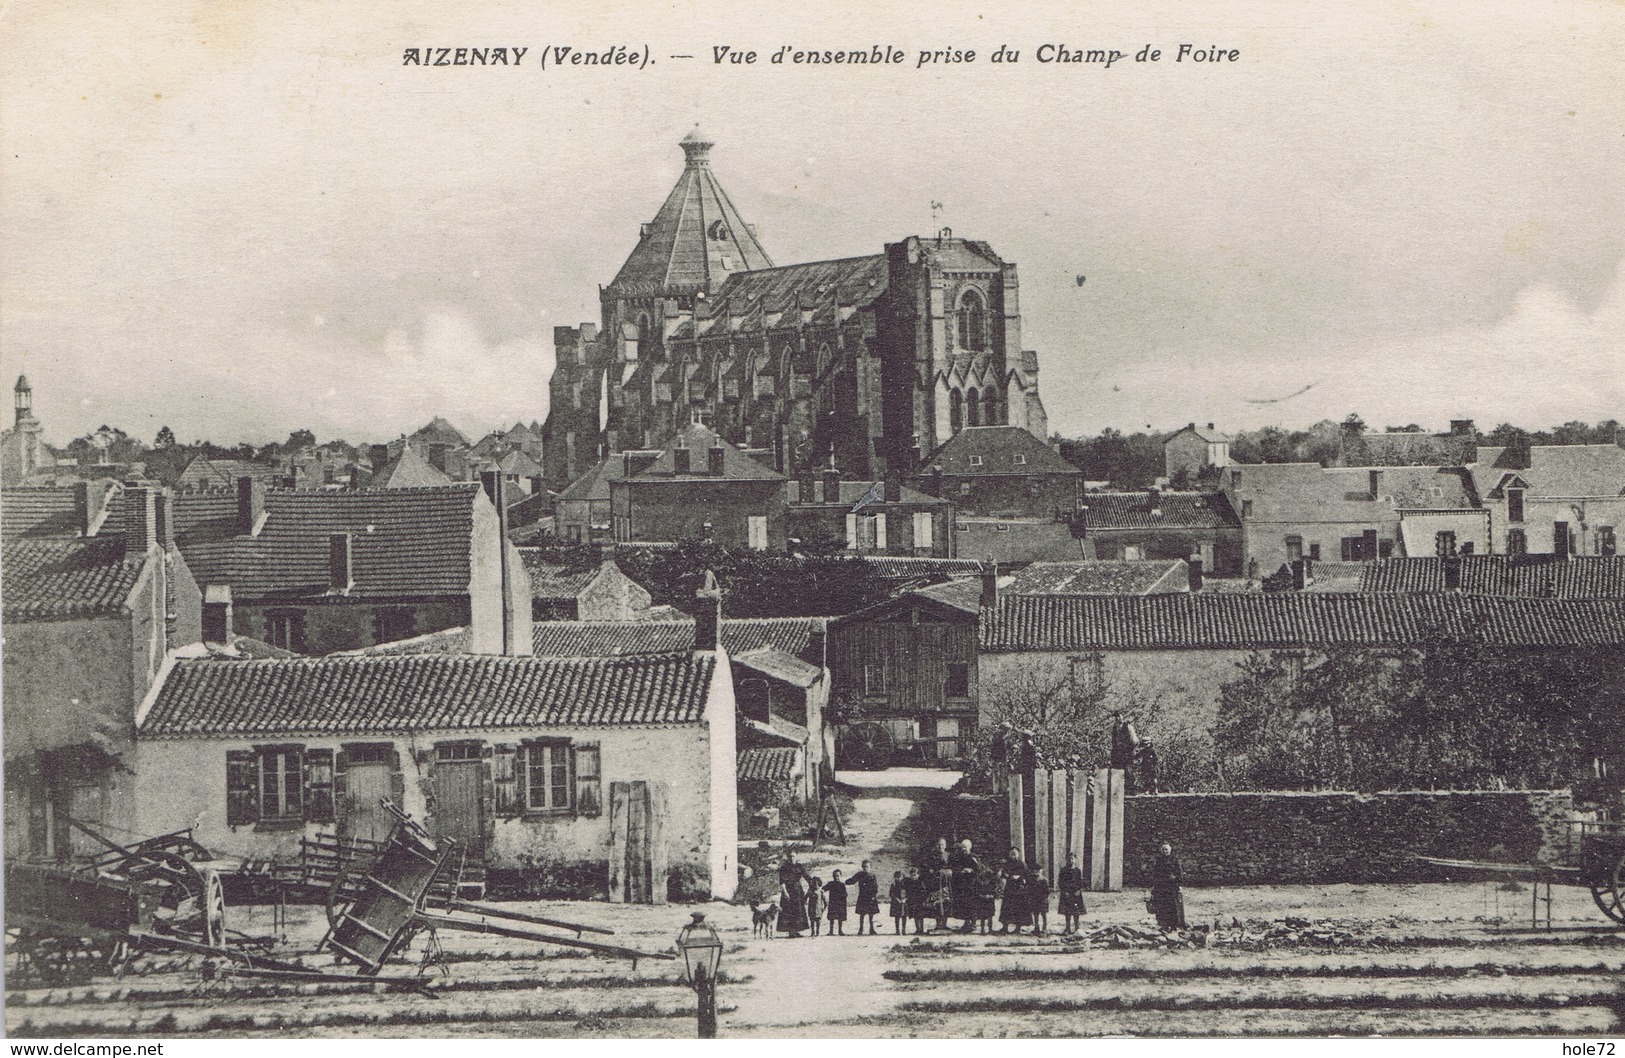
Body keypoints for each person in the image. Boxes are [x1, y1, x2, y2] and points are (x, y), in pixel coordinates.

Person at [949, 839, 985, 933]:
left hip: (972, 884)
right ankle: (966, 923)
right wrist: (960, 871)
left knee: (972, 904)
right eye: (962, 847)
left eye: (965, 847)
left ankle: (973, 924)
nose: (963, 849)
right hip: (962, 884)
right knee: (964, 904)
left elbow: (980, 870)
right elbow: (955, 868)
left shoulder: (974, 857)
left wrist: (971, 871)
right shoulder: (959, 857)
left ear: (969, 847)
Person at [1149, 842, 1187, 930]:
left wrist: (1177, 881)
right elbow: (1155, 874)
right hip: (1161, 887)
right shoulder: (1158, 860)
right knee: (1162, 906)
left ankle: (1174, 925)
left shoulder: (1174, 860)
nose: (1165, 851)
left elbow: (1180, 873)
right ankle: (1163, 925)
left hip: (1172, 887)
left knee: (1173, 906)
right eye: (1163, 850)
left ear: (1170, 850)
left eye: (1166, 849)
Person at [777, 849, 813, 938]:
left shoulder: (800, 867)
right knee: (788, 910)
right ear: (787, 858)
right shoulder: (784, 868)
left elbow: (809, 879)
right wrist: (785, 892)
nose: (792, 858)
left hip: (797, 891)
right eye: (790, 856)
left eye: (793, 856)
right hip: (788, 891)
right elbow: (782, 882)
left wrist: (809, 891)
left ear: (796, 857)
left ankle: (796, 930)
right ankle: (790, 931)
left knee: (798, 910)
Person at [921, 837, 954, 932]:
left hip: (946, 883)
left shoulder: (949, 855)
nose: (941, 846)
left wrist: (949, 871)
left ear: (945, 845)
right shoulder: (932, 856)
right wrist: (932, 871)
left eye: (942, 844)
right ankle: (938, 924)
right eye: (939, 844)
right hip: (936, 883)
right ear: (936, 846)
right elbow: (928, 868)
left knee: (947, 902)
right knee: (937, 903)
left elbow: (952, 867)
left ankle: (944, 924)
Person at [997, 848, 1031, 934]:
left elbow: (1027, 875)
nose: (1013, 855)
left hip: (1019, 889)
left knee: (1018, 908)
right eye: (1011, 853)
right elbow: (1003, 874)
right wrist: (1006, 875)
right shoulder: (1007, 864)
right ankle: (1005, 927)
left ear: (1018, 854)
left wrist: (1019, 877)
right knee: (1006, 907)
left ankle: (1017, 928)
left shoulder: (1022, 864)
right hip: (1009, 888)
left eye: (1014, 854)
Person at [850, 859, 881, 935]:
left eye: (867, 867)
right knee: (862, 914)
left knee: (871, 914)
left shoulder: (872, 876)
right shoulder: (860, 874)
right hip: (862, 897)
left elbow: (875, 887)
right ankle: (861, 929)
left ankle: (872, 929)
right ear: (862, 867)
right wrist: (846, 881)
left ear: (870, 867)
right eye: (864, 867)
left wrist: (874, 895)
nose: (865, 868)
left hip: (870, 897)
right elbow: (853, 880)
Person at [1058, 852, 1087, 934]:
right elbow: (1061, 882)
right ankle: (1068, 928)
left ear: (1075, 860)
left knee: (1076, 911)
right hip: (1067, 893)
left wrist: (1079, 890)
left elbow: (1080, 882)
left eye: (1072, 858)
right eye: (1068, 859)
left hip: (1076, 894)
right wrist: (1065, 891)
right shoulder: (1063, 870)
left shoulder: (1078, 871)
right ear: (1066, 860)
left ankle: (1077, 927)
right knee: (1067, 912)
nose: (1070, 860)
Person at [823, 869, 851, 936]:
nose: (836, 877)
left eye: (838, 876)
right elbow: (824, 888)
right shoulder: (831, 884)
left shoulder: (842, 885)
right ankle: (831, 931)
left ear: (840, 876)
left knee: (840, 917)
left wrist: (842, 898)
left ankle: (840, 930)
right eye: (835, 876)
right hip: (832, 903)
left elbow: (845, 894)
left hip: (840, 904)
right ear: (833, 876)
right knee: (831, 918)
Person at [904, 866, 928, 935]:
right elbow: (908, 891)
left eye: (915, 875)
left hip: (919, 901)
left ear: (918, 875)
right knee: (915, 915)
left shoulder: (920, 882)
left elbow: (924, 891)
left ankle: (922, 929)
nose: (913, 877)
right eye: (912, 876)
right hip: (912, 901)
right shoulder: (909, 883)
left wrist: (923, 899)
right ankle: (917, 929)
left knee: (920, 916)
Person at [1030, 867, 1051, 935]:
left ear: (1041, 871)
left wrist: (1044, 897)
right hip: (1035, 899)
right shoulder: (1032, 879)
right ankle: (1036, 928)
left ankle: (1044, 928)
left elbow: (1047, 891)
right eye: (1035, 871)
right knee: (1036, 914)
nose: (1037, 872)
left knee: (1043, 914)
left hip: (1042, 900)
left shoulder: (1044, 880)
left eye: (1038, 871)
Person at [888, 870, 909, 934]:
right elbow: (891, 894)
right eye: (897, 877)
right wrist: (897, 899)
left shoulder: (905, 885)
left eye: (900, 877)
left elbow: (909, 893)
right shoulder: (893, 885)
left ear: (902, 877)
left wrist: (905, 899)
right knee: (897, 917)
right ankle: (897, 931)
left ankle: (903, 930)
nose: (898, 878)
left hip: (903, 903)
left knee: (904, 916)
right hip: (896, 903)